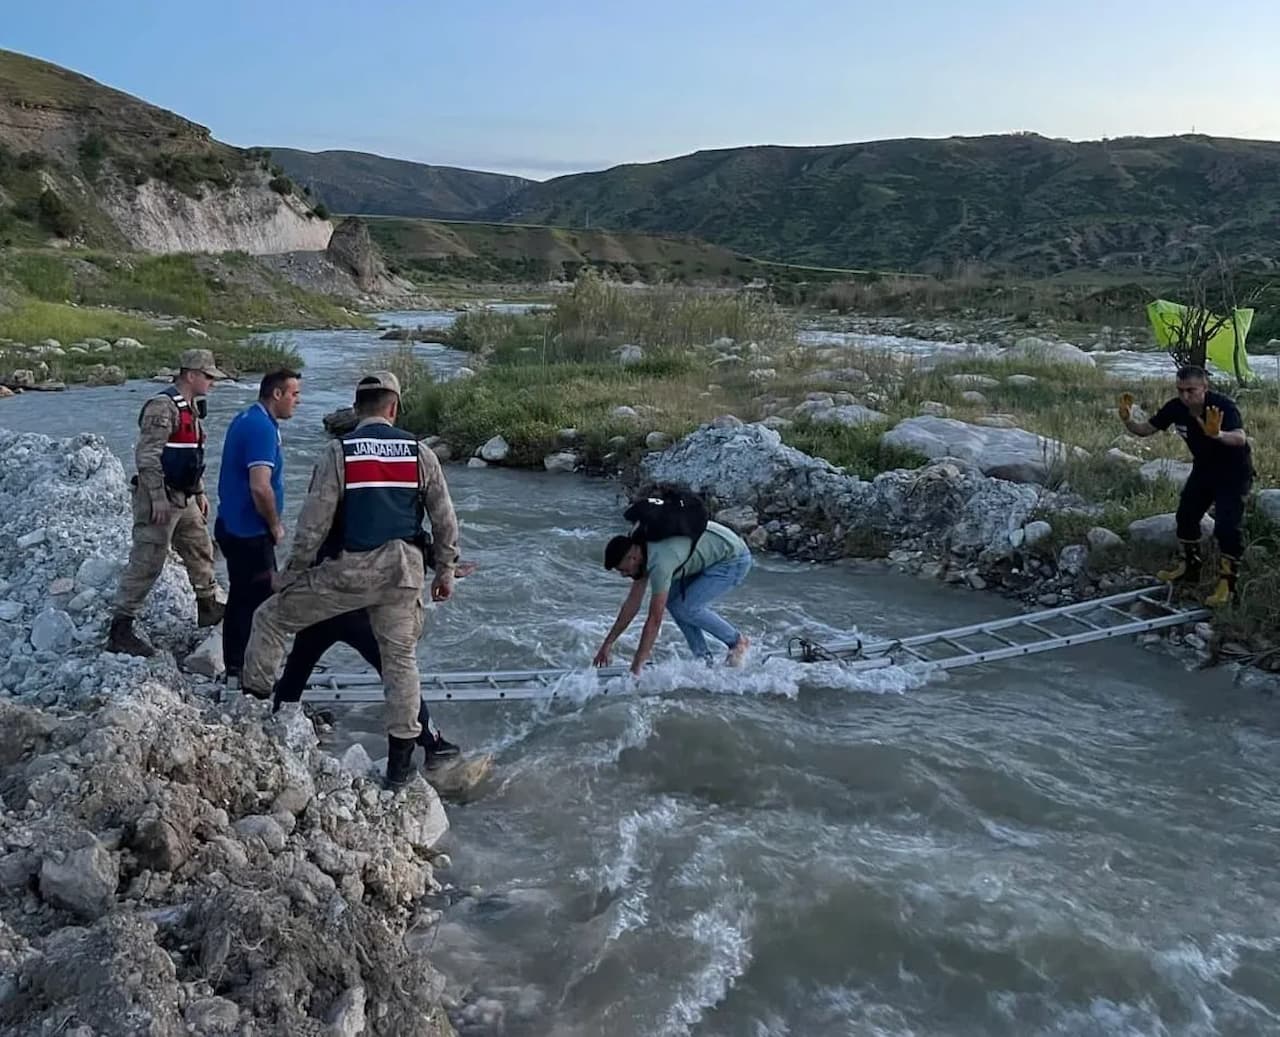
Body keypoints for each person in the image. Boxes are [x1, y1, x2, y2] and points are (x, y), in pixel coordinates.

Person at [241, 371, 460, 790]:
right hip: (402, 574)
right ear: (393, 408)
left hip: (348, 573)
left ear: (357, 409)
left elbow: (313, 526)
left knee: (270, 618)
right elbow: (445, 518)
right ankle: (400, 766)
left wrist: (291, 575)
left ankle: (251, 708)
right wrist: (445, 571)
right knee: (400, 664)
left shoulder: (338, 454)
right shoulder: (420, 453)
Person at [108, 349, 228, 657]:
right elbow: (147, 456)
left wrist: (199, 492)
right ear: (191, 375)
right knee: (148, 559)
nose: (212, 382)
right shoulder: (162, 407)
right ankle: (121, 627)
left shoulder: (192, 409)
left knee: (200, 546)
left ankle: (208, 605)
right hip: (159, 497)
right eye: (208, 376)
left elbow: (193, 455)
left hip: (184, 496)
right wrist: (157, 498)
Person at [1118, 364, 1253, 607]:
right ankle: (1190, 568)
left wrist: (1217, 434)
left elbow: (1240, 438)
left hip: (1233, 472)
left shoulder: (1222, 405)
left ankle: (1228, 584)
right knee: (1186, 517)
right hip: (1204, 470)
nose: (1185, 396)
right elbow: (1146, 430)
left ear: (1204, 387)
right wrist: (1128, 420)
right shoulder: (1176, 408)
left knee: (1227, 527)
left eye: (1191, 390)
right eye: (1180, 390)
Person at [214, 369, 302, 686]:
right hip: (248, 532)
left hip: (235, 525)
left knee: (243, 597)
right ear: (276, 394)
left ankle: (239, 667)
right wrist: (275, 525)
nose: (298, 401)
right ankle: (246, 670)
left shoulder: (250, 418)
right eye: (294, 394)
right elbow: (260, 487)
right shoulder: (260, 428)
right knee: (259, 603)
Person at [595, 520, 753, 675]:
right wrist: (608, 644)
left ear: (632, 558)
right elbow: (632, 604)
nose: (623, 575)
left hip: (733, 557)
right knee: (674, 603)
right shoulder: (639, 545)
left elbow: (654, 619)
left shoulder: (660, 562)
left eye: (623, 569)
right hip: (705, 552)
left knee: (686, 607)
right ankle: (704, 661)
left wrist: (636, 667)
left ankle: (737, 642)